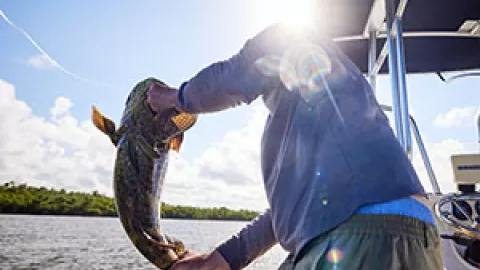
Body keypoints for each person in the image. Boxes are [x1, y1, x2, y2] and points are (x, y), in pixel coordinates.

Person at [147, 23, 444, 270]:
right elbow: (294, 214)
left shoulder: (294, 37)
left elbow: (233, 75)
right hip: (419, 236)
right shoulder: (315, 122)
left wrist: (175, 97)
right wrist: (223, 259)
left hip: (358, 232)